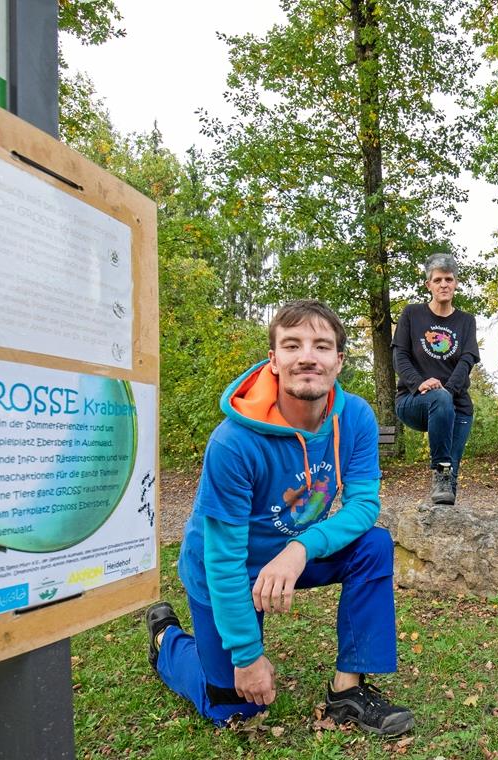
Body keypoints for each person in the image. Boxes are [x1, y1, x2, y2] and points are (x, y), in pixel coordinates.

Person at [144, 300, 414, 734]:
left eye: (322, 346)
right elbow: (223, 559)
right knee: (232, 707)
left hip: (292, 558)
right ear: (274, 359)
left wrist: (300, 547)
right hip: (225, 570)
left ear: (338, 361)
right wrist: (248, 656)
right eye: (292, 345)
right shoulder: (234, 442)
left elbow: (364, 505)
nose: (308, 356)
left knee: (373, 545)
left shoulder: (357, 418)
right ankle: (167, 642)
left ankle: (348, 692)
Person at [392, 253, 480, 505]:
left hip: (456, 404)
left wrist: (447, 391)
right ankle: (440, 472)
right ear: (428, 284)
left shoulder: (466, 321)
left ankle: (443, 511)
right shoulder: (412, 314)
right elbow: (400, 356)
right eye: (438, 279)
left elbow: (467, 361)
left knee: (448, 482)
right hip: (413, 401)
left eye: (449, 279)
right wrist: (419, 383)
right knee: (443, 467)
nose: (444, 284)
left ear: (456, 283)